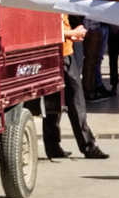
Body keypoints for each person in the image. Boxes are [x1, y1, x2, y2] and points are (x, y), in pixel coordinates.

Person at [44, 16, 110, 160]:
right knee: (75, 100)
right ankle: (88, 146)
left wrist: (72, 32)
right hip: (61, 53)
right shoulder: (47, 1)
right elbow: (45, 26)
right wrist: (72, 33)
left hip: (61, 51)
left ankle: (53, 146)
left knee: (54, 101)